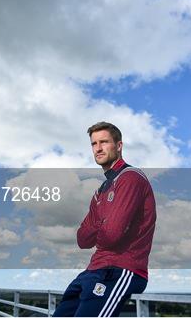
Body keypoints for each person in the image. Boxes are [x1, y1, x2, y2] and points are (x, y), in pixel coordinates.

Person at [53, 121, 156, 317]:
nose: (98, 148)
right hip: (93, 269)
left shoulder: (130, 178)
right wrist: (105, 224)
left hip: (121, 270)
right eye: (94, 144)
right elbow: (82, 240)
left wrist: (100, 226)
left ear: (118, 146)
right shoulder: (100, 191)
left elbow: (112, 236)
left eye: (104, 142)